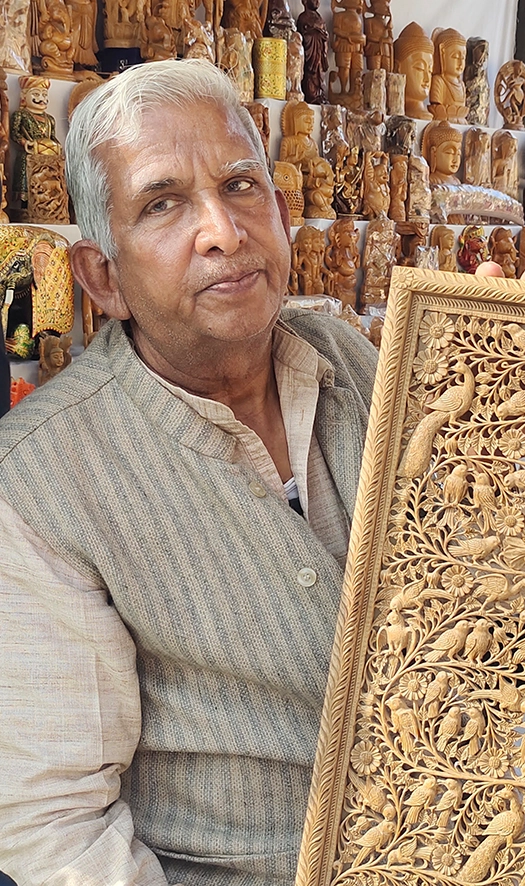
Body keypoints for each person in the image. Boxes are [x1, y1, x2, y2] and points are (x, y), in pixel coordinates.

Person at [0, 58, 379, 886]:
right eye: (162, 204)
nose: (222, 230)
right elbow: (58, 829)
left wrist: (514, 371)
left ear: (281, 216)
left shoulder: (353, 358)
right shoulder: (40, 481)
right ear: (103, 278)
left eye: (241, 186)